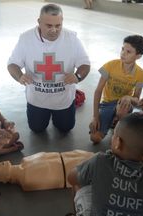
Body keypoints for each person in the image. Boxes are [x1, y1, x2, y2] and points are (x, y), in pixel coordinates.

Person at [7, 3, 90, 133]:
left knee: (66, 128)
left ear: (62, 22)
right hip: (37, 99)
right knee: (37, 129)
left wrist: (77, 76)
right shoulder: (26, 38)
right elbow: (12, 64)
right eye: (49, 25)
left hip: (63, 99)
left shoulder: (72, 39)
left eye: (58, 26)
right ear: (39, 22)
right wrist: (20, 76)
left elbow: (85, 64)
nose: (54, 30)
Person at [89, 35, 143, 144]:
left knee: (123, 105)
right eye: (122, 49)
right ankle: (112, 120)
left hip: (124, 106)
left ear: (138, 56)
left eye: (128, 52)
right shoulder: (110, 65)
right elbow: (98, 91)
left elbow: (136, 100)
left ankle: (119, 127)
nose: (123, 53)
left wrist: (128, 97)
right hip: (107, 104)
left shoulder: (141, 74)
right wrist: (95, 117)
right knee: (95, 138)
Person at [0, 150, 94, 191]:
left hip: (71, 156)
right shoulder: (26, 181)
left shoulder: (24, 161)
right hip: (74, 170)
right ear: (4, 179)